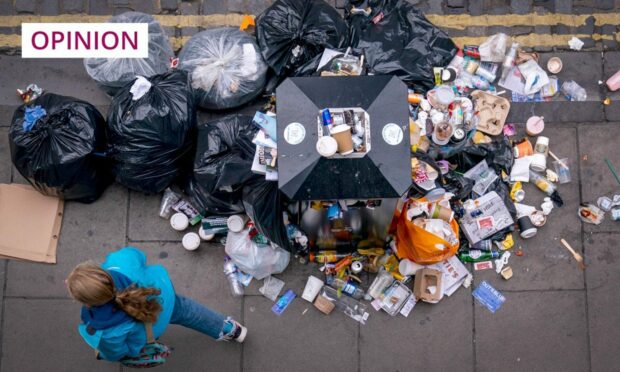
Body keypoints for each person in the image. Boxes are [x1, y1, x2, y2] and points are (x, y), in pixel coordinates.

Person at [66, 246, 246, 362]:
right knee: (190, 312)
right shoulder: (118, 263)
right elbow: (137, 255)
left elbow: (116, 352)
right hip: (164, 300)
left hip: (149, 333)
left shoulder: (104, 331)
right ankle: (230, 329)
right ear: (101, 272)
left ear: (88, 303)